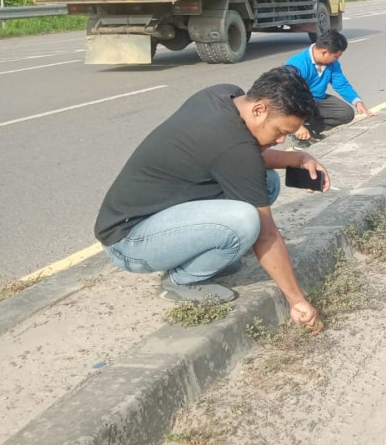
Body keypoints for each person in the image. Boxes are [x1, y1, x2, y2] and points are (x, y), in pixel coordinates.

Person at [94, 67, 328, 332]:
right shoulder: (231, 143)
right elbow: (266, 235)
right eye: (279, 131)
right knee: (245, 221)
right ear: (259, 110)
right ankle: (181, 280)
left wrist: (297, 159)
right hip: (129, 242)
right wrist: (297, 300)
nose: (281, 140)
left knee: (267, 181)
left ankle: (210, 255)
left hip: (151, 216)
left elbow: (239, 157)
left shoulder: (226, 96)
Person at [284, 29, 373, 150]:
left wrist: (357, 101)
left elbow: (341, 84)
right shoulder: (297, 64)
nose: (337, 60)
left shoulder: (332, 64)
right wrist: (297, 125)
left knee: (346, 113)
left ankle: (310, 129)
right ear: (324, 52)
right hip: (298, 101)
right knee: (295, 105)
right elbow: (287, 95)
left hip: (318, 99)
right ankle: (295, 132)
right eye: (335, 56)